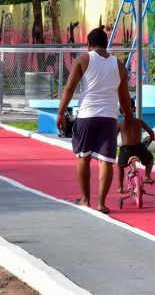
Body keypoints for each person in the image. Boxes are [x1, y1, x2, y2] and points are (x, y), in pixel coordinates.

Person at [56, 26, 134, 214]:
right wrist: (129, 117)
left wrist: (60, 113)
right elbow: (124, 98)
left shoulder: (83, 59)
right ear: (106, 45)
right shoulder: (119, 65)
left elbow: (69, 88)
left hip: (87, 116)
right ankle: (101, 203)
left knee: (83, 157)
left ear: (88, 44)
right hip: (109, 117)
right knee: (106, 160)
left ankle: (85, 200)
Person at [116, 110, 155, 193]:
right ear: (134, 110)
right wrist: (150, 139)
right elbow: (151, 133)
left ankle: (120, 187)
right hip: (139, 147)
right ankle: (147, 176)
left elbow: (113, 136)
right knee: (150, 159)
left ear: (121, 112)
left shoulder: (120, 123)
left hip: (126, 149)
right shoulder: (139, 122)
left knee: (120, 166)